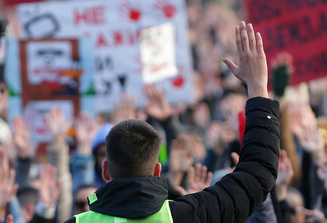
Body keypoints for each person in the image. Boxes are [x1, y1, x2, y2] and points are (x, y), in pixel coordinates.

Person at [73, 21, 280, 223]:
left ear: (106, 170)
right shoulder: (189, 215)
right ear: (157, 171)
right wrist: (257, 85)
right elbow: (258, 173)